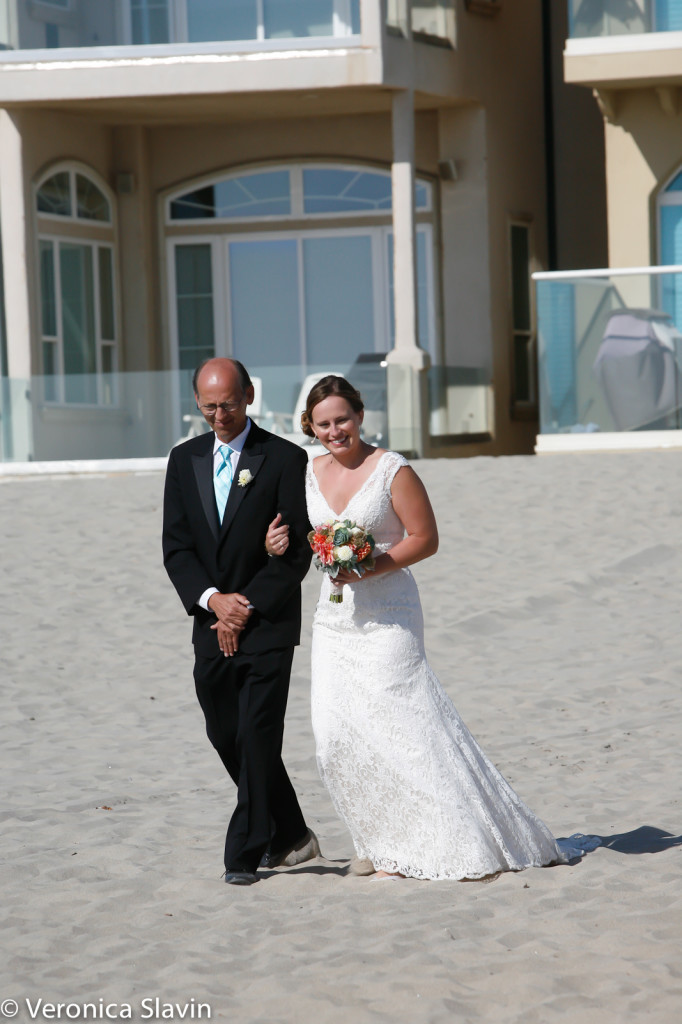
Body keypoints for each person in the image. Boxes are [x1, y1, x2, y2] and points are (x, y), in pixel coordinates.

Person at [266, 375, 596, 880]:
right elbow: (298, 536)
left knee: (406, 725)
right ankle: (377, 840)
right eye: (324, 423)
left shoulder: (392, 470)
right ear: (310, 426)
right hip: (334, 619)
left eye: (344, 419)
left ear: (359, 416)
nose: (336, 430)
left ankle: (442, 841)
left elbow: (426, 538)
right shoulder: (308, 473)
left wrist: (369, 564)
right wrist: (281, 544)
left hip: (389, 614)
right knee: (337, 736)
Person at [163, 358, 319, 885]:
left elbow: (297, 551)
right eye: (208, 406)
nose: (219, 415)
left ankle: (246, 853)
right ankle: (294, 832)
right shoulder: (183, 460)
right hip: (210, 625)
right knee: (223, 732)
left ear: (249, 395)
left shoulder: (284, 458)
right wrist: (213, 601)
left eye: (227, 403)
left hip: (268, 624)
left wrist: (243, 605)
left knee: (256, 736)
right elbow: (177, 547)